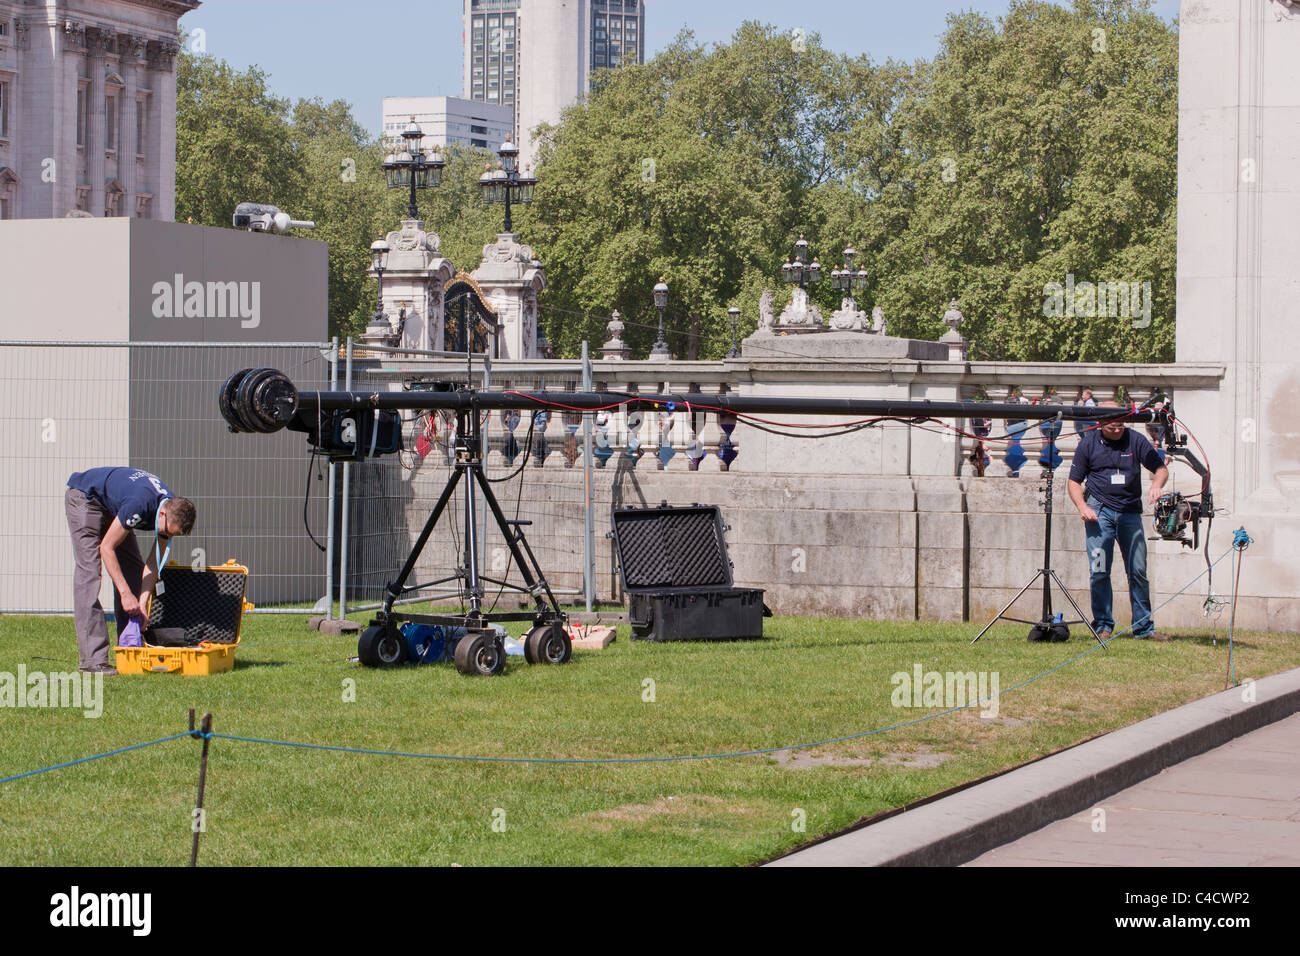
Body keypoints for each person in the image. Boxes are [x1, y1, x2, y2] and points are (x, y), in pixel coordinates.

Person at [64, 467, 196, 674]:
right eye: (166, 532)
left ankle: (129, 648)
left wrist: (141, 603)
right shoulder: (140, 505)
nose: (166, 536)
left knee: (133, 572)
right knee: (90, 574)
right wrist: (125, 594)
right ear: (162, 513)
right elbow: (106, 548)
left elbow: (153, 563)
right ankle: (93, 660)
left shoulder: (170, 510)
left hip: (115, 507)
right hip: (86, 498)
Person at [1067, 405, 1168, 641]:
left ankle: (1143, 628)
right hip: (1099, 514)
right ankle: (1102, 625)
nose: (1117, 430)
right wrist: (1083, 506)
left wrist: (1156, 485)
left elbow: (1160, 469)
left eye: (1121, 425)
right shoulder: (1088, 444)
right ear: (1101, 424)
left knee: (1138, 570)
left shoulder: (1136, 440)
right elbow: (1073, 482)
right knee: (1099, 570)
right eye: (1112, 427)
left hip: (1130, 514)